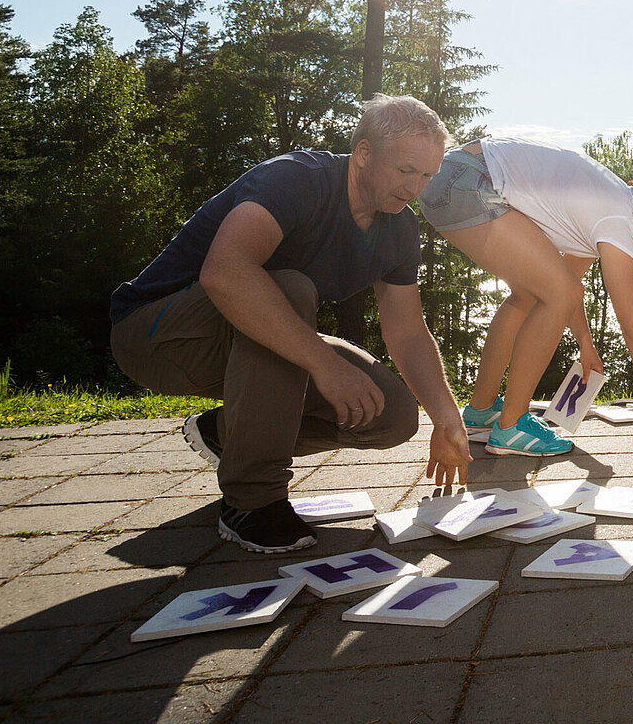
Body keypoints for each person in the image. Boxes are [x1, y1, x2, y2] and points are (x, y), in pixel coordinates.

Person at [109, 95, 472, 553]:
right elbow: (226, 271)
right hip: (157, 335)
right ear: (363, 154)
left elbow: (407, 332)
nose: (415, 187)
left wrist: (447, 417)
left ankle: (225, 434)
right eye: (406, 171)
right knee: (289, 289)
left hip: (250, 346)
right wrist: (325, 363)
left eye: (427, 175)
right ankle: (252, 501)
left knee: (393, 416)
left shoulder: (398, 229)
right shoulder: (297, 179)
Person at [417, 137, 633, 457]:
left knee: (528, 296)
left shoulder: (609, 212)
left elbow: (564, 284)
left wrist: (585, 344)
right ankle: (510, 427)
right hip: (469, 182)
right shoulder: (619, 221)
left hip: (451, 176)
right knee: (552, 293)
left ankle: (481, 413)